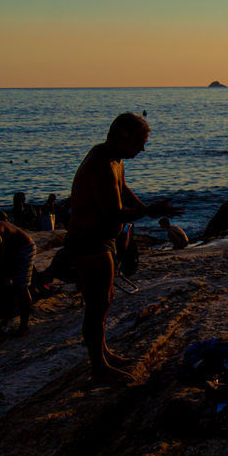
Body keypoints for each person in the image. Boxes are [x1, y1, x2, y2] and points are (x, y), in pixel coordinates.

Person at [68, 112, 182, 383]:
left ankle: (103, 353)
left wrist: (146, 208)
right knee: (97, 304)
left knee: (105, 300)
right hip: (90, 240)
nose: (143, 149)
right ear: (123, 137)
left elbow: (123, 187)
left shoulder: (114, 158)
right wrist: (148, 212)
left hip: (103, 240)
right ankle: (98, 368)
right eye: (140, 142)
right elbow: (112, 213)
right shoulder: (101, 164)